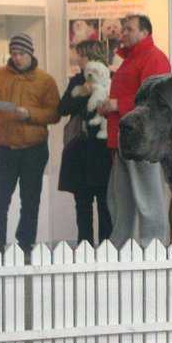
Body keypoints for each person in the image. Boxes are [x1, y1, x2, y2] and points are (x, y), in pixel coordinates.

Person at [0, 33, 60, 255]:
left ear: (30, 53)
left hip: (34, 150)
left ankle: (25, 247)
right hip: (5, 149)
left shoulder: (45, 80)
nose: (17, 57)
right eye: (13, 53)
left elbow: (54, 113)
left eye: (21, 53)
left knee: (30, 201)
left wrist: (29, 114)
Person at [99, 14, 172, 248]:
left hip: (143, 140)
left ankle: (154, 247)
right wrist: (109, 107)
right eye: (123, 30)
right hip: (124, 138)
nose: (123, 34)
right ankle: (122, 246)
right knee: (121, 199)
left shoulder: (154, 58)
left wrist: (117, 105)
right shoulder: (130, 59)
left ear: (144, 32)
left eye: (129, 29)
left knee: (148, 198)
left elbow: (156, 98)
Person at [57, 40, 113, 247]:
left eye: (79, 56)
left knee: (106, 202)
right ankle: (85, 245)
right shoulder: (77, 81)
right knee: (82, 202)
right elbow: (62, 108)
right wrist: (83, 94)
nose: (77, 60)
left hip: (104, 148)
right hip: (80, 149)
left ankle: (107, 245)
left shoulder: (111, 78)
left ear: (89, 56)